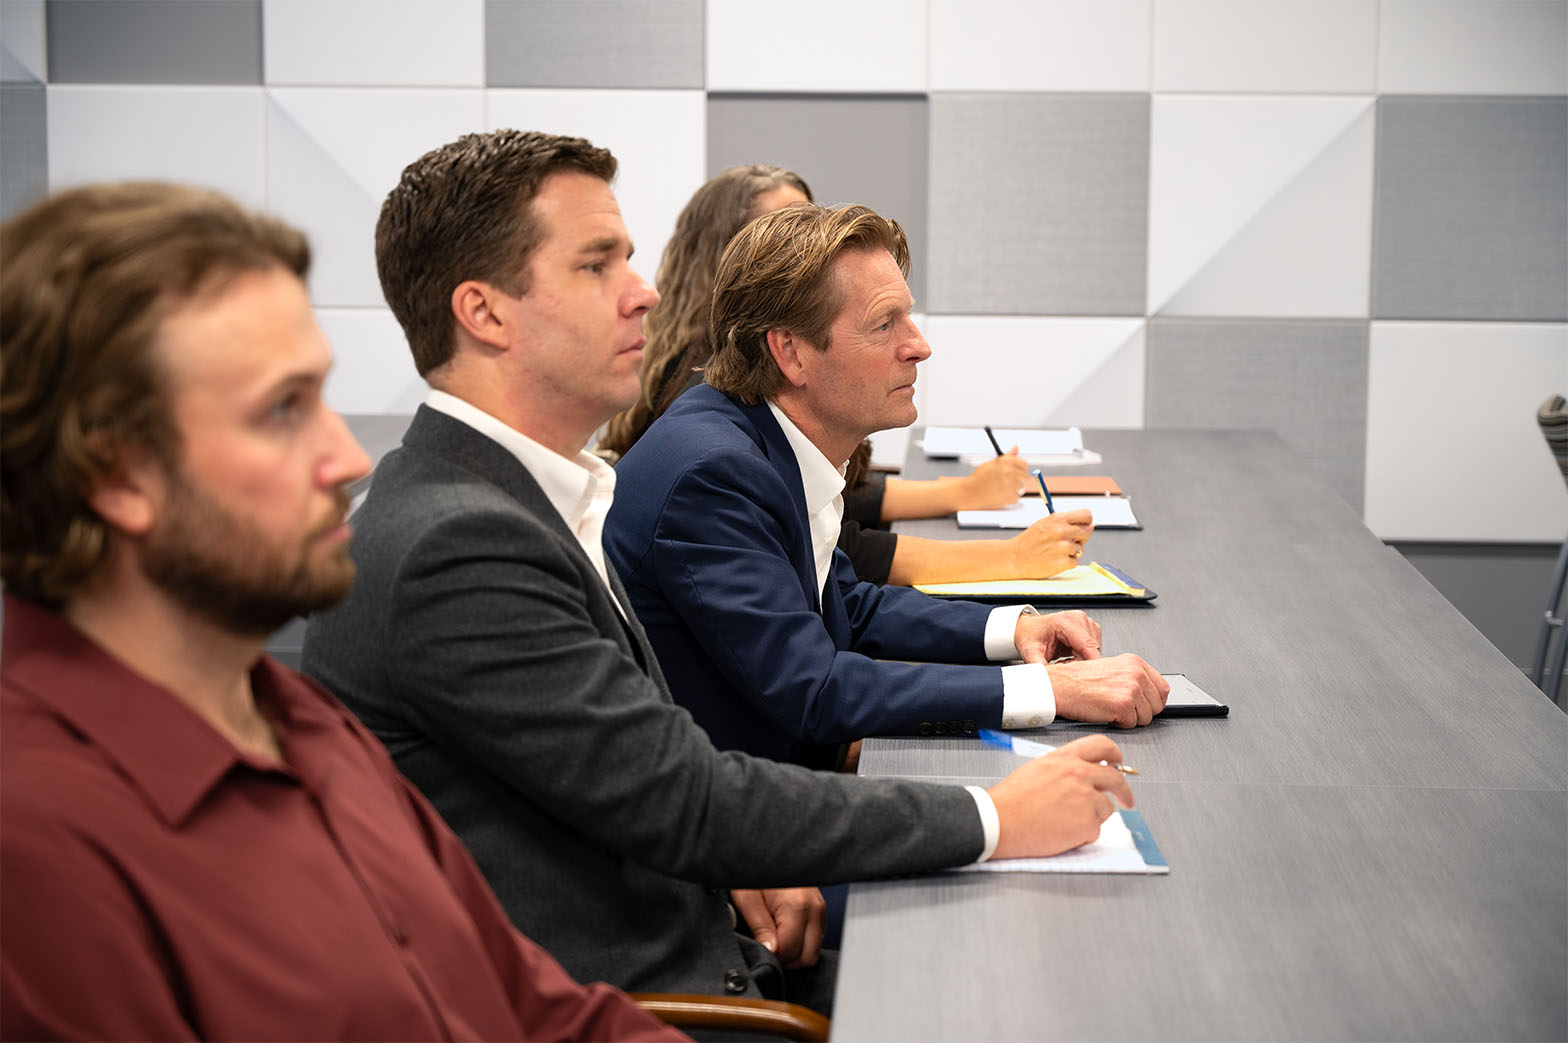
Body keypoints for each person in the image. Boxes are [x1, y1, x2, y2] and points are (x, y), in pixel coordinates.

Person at [301, 129, 1139, 1009]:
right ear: (485, 312)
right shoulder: (456, 546)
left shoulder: (523, 495)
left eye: (628, 258)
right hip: (645, 995)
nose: (646, 292)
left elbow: (643, 776)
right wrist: (999, 815)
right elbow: (686, 796)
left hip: (699, 905)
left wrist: (730, 854)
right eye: (597, 266)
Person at [0, 181, 683, 1041]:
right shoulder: (38, 844)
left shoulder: (306, 724)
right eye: (282, 411)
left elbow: (535, 1008)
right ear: (117, 476)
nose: (344, 455)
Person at [606, 203, 1170, 772]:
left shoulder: (755, 434)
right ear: (791, 353)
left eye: (910, 317)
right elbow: (816, 689)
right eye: (885, 324)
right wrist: (1051, 691)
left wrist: (1017, 627)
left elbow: (847, 606)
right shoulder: (715, 476)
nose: (919, 345)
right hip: (720, 825)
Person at [599, 164, 1093, 587]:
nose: (918, 348)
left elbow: (836, 548)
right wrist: (1005, 557)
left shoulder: (761, 399)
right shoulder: (712, 424)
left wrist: (961, 495)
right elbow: (833, 576)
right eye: (784, 231)